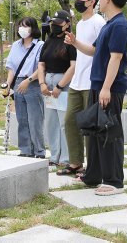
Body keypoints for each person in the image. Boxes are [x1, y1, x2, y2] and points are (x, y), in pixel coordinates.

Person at [65, 0, 127, 195]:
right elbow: (93, 51)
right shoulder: (109, 25)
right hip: (98, 85)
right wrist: (75, 43)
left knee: (109, 133)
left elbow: (116, 58)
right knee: (94, 133)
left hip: (108, 88)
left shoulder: (119, 25)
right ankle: (92, 175)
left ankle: (114, 181)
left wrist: (106, 88)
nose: (100, 1)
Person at [60, 0, 105, 176]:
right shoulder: (80, 24)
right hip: (77, 81)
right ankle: (75, 162)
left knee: (89, 125)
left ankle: (93, 166)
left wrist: (75, 42)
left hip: (91, 81)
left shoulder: (99, 22)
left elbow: (98, 51)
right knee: (70, 121)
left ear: (92, 1)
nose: (78, 1)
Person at [37, 10, 76, 167]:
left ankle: (65, 158)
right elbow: (41, 64)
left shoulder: (70, 42)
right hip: (48, 82)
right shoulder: (49, 40)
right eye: (54, 23)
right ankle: (54, 155)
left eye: (59, 23)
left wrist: (60, 86)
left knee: (63, 123)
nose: (55, 26)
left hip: (63, 83)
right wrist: (42, 83)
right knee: (51, 122)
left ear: (67, 24)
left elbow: (73, 66)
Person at [2, 17, 45, 158]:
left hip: (32, 83)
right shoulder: (15, 45)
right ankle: (25, 150)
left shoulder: (40, 45)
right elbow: (12, 68)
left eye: (26, 26)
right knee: (22, 119)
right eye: (20, 26)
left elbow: (41, 68)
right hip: (18, 83)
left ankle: (39, 151)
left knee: (35, 120)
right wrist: (8, 85)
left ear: (33, 28)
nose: (22, 29)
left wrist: (29, 80)